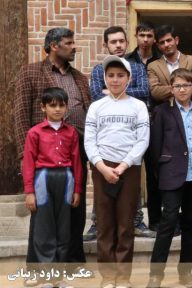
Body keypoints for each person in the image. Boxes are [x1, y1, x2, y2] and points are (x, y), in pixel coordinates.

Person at [14, 27, 91, 266]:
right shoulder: (30, 72)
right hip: (44, 153)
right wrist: (24, 157)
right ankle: (40, 266)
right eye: (69, 43)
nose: (74, 47)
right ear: (54, 46)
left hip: (76, 149)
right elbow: (20, 115)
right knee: (43, 215)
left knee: (75, 209)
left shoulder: (80, 77)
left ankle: (71, 262)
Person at [84, 55, 150, 288]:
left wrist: (122, 166)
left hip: (129, 168)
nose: (115, 80)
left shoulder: (138, 106)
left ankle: (123, 277)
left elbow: (142, 140)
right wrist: (102, 167)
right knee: (104, 223)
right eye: (110, 75)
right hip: (101, 168)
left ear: (129, 78)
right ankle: (108, 276)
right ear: (104, 78)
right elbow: (89, 141)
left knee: (125, 223)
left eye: (120, 75)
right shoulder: (96, 107)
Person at [85, 26, 154, 240]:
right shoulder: (98, 69)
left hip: (132, 138)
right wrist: (115, 92)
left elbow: (145, 92)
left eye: (121, 41)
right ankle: (97, 224)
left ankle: (137, 221)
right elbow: (96, 94)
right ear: (105, 44)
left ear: (127, 42)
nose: (118, 45)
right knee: (102, 192)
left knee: (131, 188)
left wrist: (114, 91)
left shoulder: (138, 67)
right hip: (104, 145)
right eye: (113, 42)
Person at [147, 68, 192, 288]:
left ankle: (185, 272)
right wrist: (161, 172)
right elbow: (155, 146)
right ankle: (155, 275)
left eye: (186, 85)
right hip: (171, 174)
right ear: (171, 89)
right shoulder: (162, 111)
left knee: (190, 223)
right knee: (168, 222)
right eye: (177, 86)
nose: (182, 89)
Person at [22, 87, 83, 275]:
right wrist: (29, 192)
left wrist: (77, 189)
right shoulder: (35, 132)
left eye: (61, 105)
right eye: (52, 105)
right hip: (43, 178)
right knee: (44, 227)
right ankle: (45, 274)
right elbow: (28, 163)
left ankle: (59, 273)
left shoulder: (71, 132)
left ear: (66, 107)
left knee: (64, 227)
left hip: (66, 179)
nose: (57, 109)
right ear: (43, 107)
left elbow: (76, 162)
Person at [126, 21, 162, 233]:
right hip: (131, 123)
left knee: (155, 171)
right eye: (142, 35)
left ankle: (155, 220)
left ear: (154, 38)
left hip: (156, 121)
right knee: (130, 169)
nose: (146, 39)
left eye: (149, 36)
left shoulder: (161, 60)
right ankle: (132, 219)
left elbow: (153, 91)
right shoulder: (126, 61)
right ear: (136, 36)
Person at [148, 24, 192, 104]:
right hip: (165, 109)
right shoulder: (153, 66)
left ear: (176, 40)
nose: (166, 45)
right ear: (158, 46)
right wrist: (185, 87)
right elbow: (155, 92)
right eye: (162, 42)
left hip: (190, 107)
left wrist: (172, 89)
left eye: (169, 40)